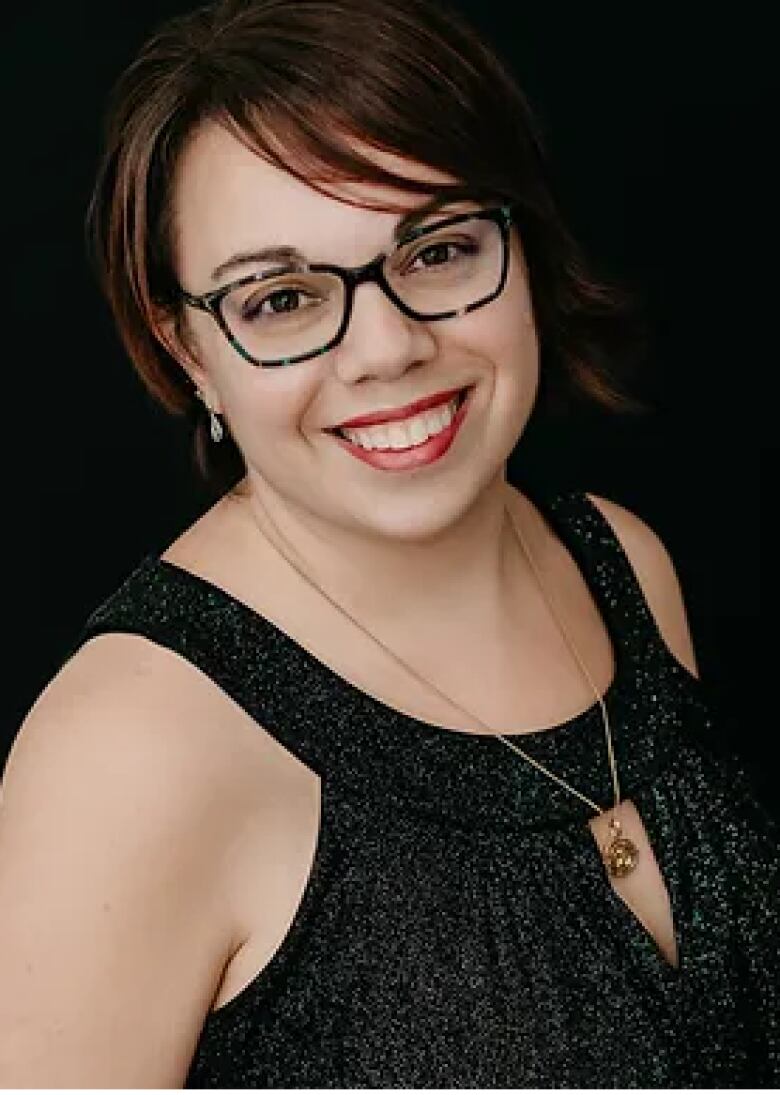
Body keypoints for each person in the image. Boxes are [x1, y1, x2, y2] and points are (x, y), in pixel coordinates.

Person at [1, 0, 777, 1087]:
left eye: (439, 249)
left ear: (523, 242)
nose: (389, 346)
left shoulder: (623, 565)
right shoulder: (130, 751)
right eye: (280, 299)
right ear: (187, 352)